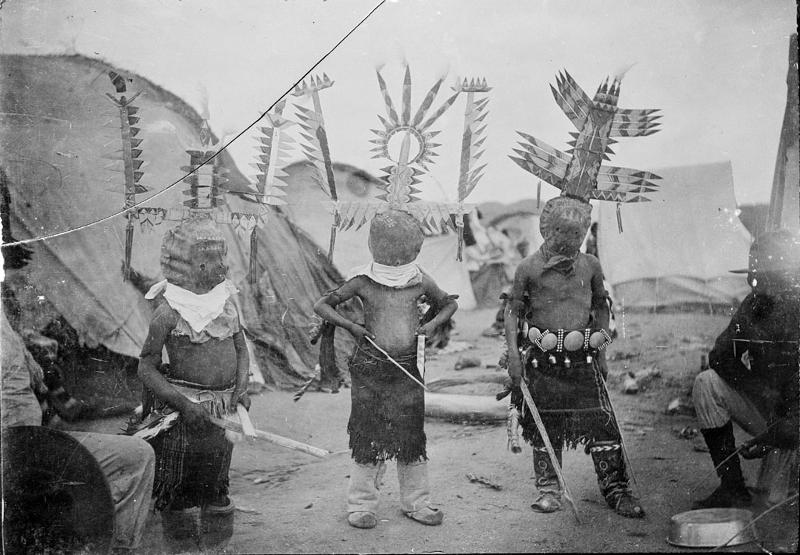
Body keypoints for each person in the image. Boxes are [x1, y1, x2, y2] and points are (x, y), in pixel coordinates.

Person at [313, 209, 458, 529]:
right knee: (367, 435)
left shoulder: (418, 279)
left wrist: (429, 326)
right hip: (369, 369)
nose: (408, 254)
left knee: (411, 436)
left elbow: (449, 303)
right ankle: (361, 504)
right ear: (378, 248)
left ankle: (417, 502)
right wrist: (351, 325)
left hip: (407, 367)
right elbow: (321, 305)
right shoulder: (363, 280)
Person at [504, 195, 644, 518]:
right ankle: (549, 489)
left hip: (584, 361)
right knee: (545, 425)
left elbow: (601, 307)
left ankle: (616, 488)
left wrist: (603, 351)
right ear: (547, 231)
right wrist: (513, 355)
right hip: (543, 363)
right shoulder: (528, 268)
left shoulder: (590, 265)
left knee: (602, 423)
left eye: (577, 236)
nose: (571, 243)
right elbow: (513, 311)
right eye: (563, 235)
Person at [1, 309, 156, 553]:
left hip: (37, 443)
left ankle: (115, 548)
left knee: (137, 454)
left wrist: (25, 348)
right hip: (15, 453)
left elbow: (66, 408)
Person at [135, 214, 250, 520]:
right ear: (197, 267)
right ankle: (180, 522)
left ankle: (214, 504)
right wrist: (184, 405)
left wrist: (240, 388)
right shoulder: (169, 313)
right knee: (182, 470)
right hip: (185, 409)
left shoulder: (226, 304)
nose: (224, 267)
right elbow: (146, 368)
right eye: (217, 261)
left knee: (218, 460)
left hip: (222, 406)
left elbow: (241, 350)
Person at [691, 229, 799, 508]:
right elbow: (719, 356)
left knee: (778, 511)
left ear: (783, 277)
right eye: (751, 275)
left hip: (793, 423)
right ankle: (732, 488)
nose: (752, 282)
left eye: (760, 276)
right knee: (707, 383)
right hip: (774, 415)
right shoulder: (753, 307)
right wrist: (761, 389)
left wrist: (775, 435)